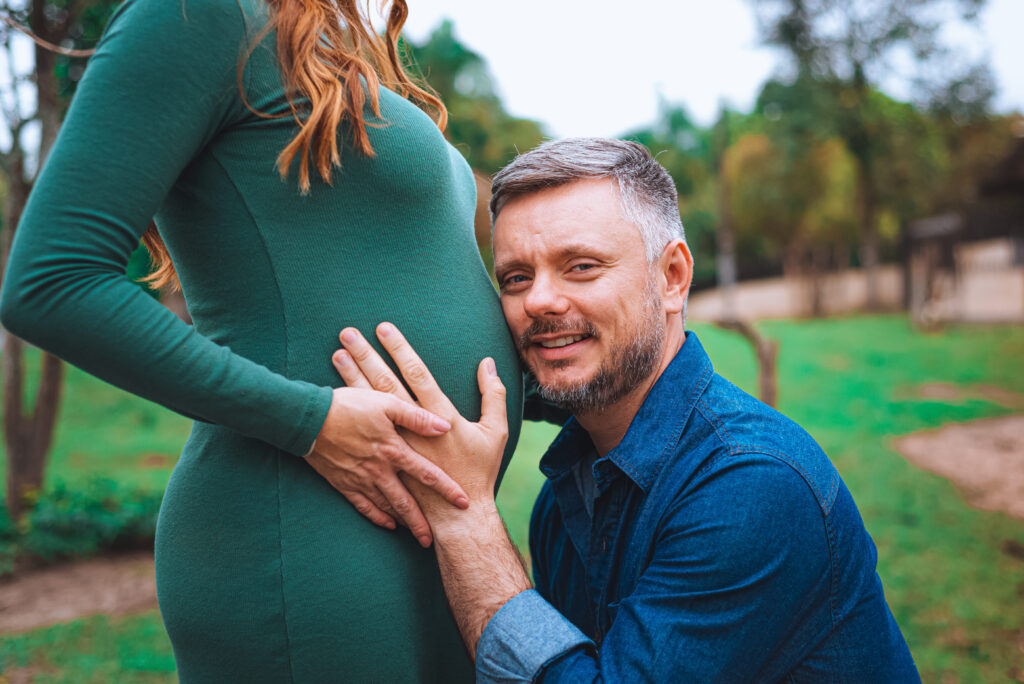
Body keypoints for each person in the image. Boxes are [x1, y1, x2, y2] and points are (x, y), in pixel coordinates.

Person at [0, 0, 526, 680]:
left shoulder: (325, 40)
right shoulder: (196, 14)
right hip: (304, 534)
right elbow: (52, 281)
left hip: (433, 534)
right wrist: (310, 420)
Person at [333, 138, 921, 682]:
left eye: (581, 266)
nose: (538, 300)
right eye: (514, 277)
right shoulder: (567, 496)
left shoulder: (753, 485)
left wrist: (464, 516)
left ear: (672, 277)